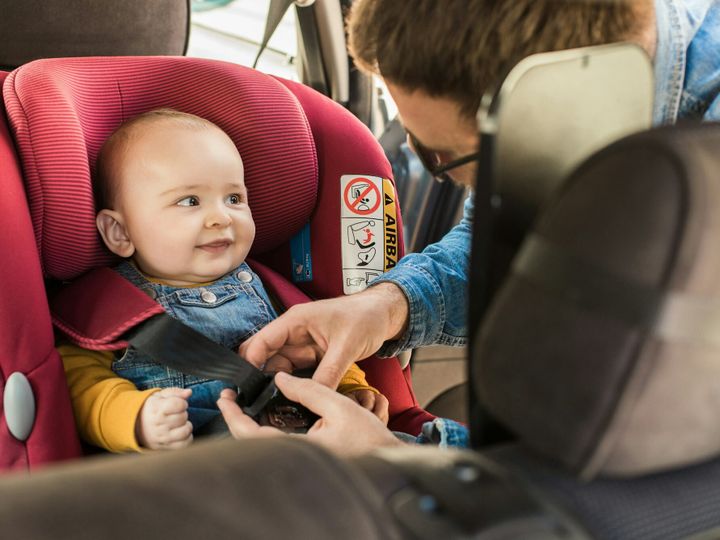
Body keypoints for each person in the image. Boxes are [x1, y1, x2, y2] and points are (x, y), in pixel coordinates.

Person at [217, 0, 720, 456]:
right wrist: (385, 306)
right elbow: (501, 237)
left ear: (560, 102)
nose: (447, 175)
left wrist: (399, 459)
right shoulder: (548, 106)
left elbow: (668, 477)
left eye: (446, 155)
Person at [59, 109, 388, 453]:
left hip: (308, 446)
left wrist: (350, 389)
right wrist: (136, 418)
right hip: (201, 467)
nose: (221, 217)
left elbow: (320, 346)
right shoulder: (108, 308)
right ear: (120, 231)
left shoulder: (272, 290)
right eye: (190, 201)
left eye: (234, 199)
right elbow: (80, 385)